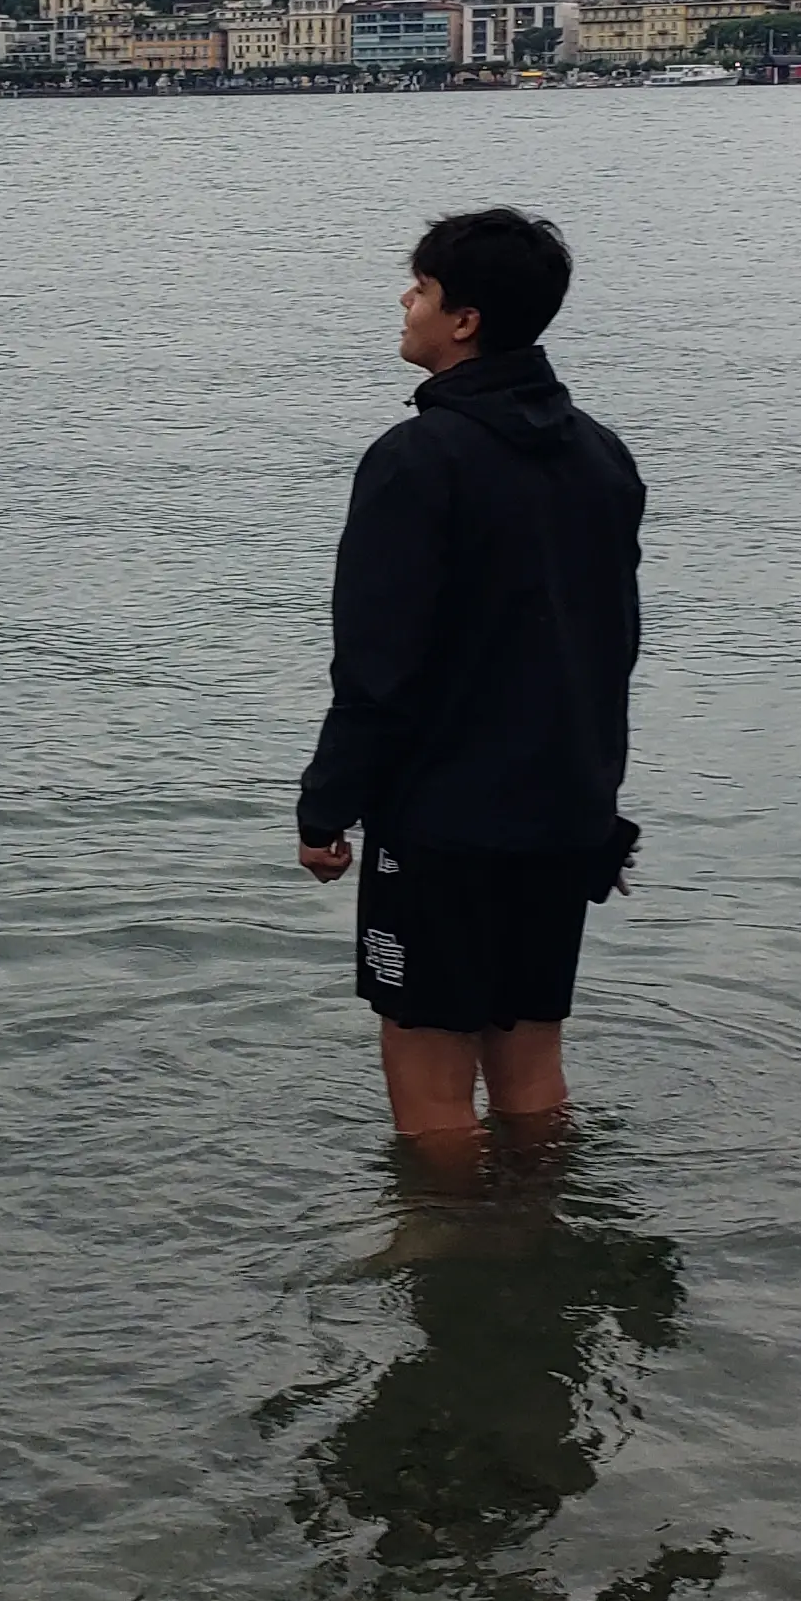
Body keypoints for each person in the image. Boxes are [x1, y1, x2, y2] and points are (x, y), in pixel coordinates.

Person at [296, 209, 645, 1161]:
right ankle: (544, 1247)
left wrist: (326, 809)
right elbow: (616, 646)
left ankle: (457, 1269)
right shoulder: (602, 455)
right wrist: (596, 804)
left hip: (447, 821)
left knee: (427, 1063)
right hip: (565, 810)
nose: (406, 302)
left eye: (421, 288)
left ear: (464, 320)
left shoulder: (416, 459)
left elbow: (377, 665)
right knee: (530, 1056)